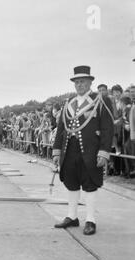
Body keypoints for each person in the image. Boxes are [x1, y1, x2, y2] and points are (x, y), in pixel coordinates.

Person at [53, 66, 114, 235]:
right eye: (77, 82)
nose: (79, 85)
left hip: (90, 150)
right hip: (70, 149)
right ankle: (72, 217)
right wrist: (57, 151)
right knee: (71, 182)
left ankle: (90, 220)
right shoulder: (69, 103)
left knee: (89, 183)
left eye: (82, 82)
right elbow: (60, 129)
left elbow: (107, 128)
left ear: (90, 83)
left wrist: (104, 151)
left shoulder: (101, 100)